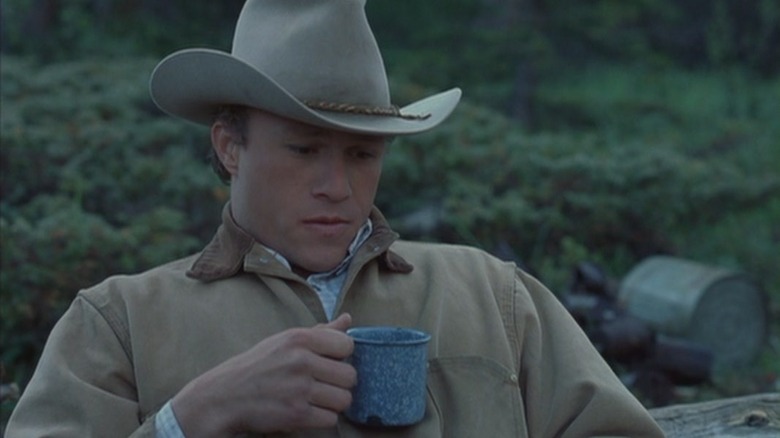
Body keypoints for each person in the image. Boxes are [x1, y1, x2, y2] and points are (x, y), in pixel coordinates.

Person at [6, 0, 665, 437]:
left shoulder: (493, 295)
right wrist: (193, 416)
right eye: (303, 150)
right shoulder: (121, 322)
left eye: (362, 153)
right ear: (230, 146)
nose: (337, 186)